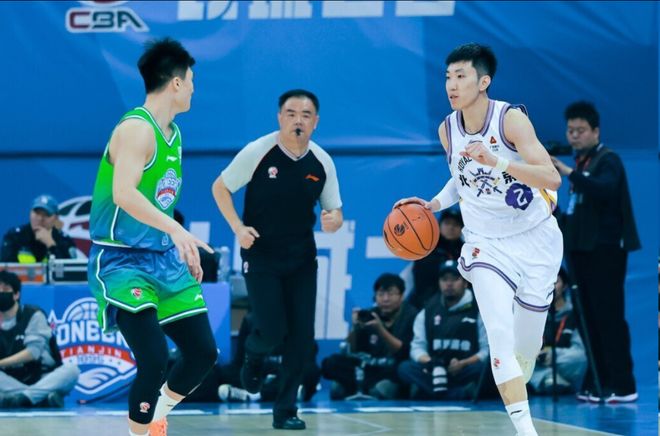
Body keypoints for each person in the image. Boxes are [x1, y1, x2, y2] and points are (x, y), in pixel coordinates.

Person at [395, 43, 562, 436]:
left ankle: (520, 376)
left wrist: (498, 161)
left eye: (461, 76)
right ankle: (526, 431)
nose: (451, 85)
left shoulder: (510, 120)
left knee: (526, 346)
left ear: (483, 81)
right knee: (499, 334)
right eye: (448, 77)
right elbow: (462, 178)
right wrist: (433, 204)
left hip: (534, 238)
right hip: (485, 242)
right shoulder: (447, 129)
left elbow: (551, 178)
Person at [87, 38, 218, 436]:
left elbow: (158, 204)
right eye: (191, 80)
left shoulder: (173, 135)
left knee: (202, 353)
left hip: (161, 258)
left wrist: (178, 242)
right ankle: (139, 432)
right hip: (121, 260)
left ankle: (157, 414)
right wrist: (178, 229)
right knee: (154, 357)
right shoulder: (136, 130)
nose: (193, 88)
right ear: (176, 83)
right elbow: (123, 194)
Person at [212, 89, 343, 430]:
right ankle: (253, 354)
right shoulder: (258, 152)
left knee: (301, 339)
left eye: (305, 115)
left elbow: (334, 210)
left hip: (301, 258)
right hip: (261, 254)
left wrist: (333, 220)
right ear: (279, 117)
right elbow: (220, 188)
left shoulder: (322, 162)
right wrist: (238, 227)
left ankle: (286, 410)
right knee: (271, 330)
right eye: (291, 113)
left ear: (315, 122)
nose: (298, 120)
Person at [551, 101, 640, 403]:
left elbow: (605, 189)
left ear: (595, 131)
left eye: (581, 130)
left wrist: (568, 173)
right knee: (587, 317)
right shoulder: (582, 165)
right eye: (570, 130)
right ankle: (599, 381)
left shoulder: (607, 160)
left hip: (605, 252)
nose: (574, 136)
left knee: (608, 316)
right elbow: (577, 214)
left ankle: (623, 385)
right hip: (581, 253)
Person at [398, 260, 488, 400]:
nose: (449, 284)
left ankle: (433, 392)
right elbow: (417, 348)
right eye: (444, 279)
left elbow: (486, 350)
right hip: (435, 371)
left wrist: (463, 363)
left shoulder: (479, 309)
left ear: (465, 283)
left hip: (465, 369)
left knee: (485, 368)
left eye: (454, 279)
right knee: (405, 368)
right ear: (439, 283)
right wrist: (431, 363)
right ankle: (458, 394)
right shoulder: (427, 310)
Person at [321, 273, 416, 400]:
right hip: (370, 368)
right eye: (380, 294)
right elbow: (353, 350)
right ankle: (366, 386)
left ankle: (361, 387)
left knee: (401, 370)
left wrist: (380, 330)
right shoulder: (369, 315)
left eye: (391, 294)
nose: (385, 299)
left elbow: (403, 352)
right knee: (330, 363)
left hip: (392, 368)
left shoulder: (411, 316)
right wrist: (355, 327)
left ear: (402, 296)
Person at [0, 270, 79, 408]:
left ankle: (19, 398)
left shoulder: (33, 315)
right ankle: (39, 398)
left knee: (72, 370)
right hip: (10, 380)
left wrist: (2, 362)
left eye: (5, 289)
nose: (0, 293)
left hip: (42, 376)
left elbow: (33, 352)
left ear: (16, 294)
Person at [529, 267, 586, 394]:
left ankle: (547, 380)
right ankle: (550, 379)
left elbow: (579, 352)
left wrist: (552, 355)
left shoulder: (575, 314)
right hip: (536, 364)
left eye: (555, 282)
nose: (550, 287)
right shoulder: (534, 313)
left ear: (565, 286)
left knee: (580, 358)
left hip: (562, 363)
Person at [408, 207, 464, 310]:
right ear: (439, 225)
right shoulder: (427, 248)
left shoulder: (466, 251)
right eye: (447, 223)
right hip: (426, 304)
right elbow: (421, 282)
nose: (451, 227)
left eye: (456, 224)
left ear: (462, 229)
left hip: (460, 304)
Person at [1, 194, 77, 263]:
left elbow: (70, 270)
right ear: (30, 213)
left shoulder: (63, 240)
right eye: (37, 213)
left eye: (46, 214)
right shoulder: (15, 236)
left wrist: (51, 245)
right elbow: (5, 267)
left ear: (56, 218)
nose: (40, 218)